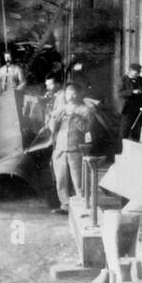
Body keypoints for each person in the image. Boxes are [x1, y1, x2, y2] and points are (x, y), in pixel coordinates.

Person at [49, 83, 92, 213]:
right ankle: (65, 206)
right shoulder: (61, 108)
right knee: (61, 181)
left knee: (78, 181)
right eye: (68, 93)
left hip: (75, 149)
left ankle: (82, 208)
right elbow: (52, 128)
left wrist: (74, 116)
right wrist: (55, 118)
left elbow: (86, 129)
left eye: (74, 93)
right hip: (60, 149)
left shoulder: (85, 110)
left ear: (79, 94)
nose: (71, 96)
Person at [119, 62, 142, 140]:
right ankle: (122, 148)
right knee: (125, 130)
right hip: (127, 109)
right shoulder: (123, 79)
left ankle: (134, 146)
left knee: (137, 130)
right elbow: (120, 93)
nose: (138, 73)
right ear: (130, 70)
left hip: (139, 107)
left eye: (139, 72)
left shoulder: (140, 79)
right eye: (137, 72)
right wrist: (132, 92)